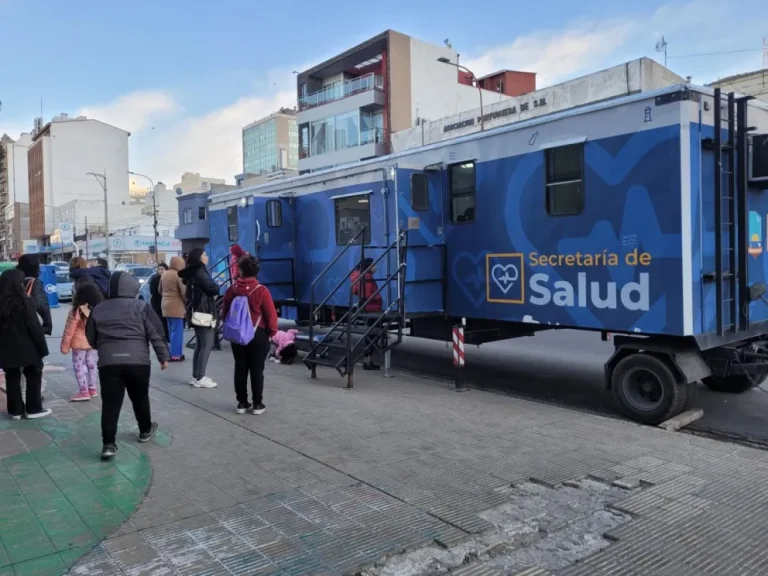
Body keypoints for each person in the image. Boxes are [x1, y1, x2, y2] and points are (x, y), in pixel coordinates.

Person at [86, 271, 169, 460]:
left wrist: (104, 348)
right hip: (138, 362)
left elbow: (91, 337)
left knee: (110, 404)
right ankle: (145, 430)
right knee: (140, 398)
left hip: (109, 363)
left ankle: (108, 444)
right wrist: (163, 357)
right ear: (133, 287)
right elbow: (156, 333)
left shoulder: (98, 308)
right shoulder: (141, 307)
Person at [221, 255, 278, 414]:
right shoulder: (261, 291)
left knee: (240, 367)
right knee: (256, 369)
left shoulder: (231, 290)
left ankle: (242, 403)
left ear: (239, 271)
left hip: (237, 334)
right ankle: (257, 404)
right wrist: (272, 332)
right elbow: (270, 314)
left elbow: (224, 312)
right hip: (257, 334)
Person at [0, 269, 51, 420]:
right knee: (34, 373)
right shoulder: (25, 301)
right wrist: (43, 349)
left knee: (12, 376)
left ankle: (15, 411)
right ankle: (34, 409)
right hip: (27, 347)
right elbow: (34, 328)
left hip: (6, 348)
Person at [179, 248, 220, 388]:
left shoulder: (192, 272)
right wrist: (217, 285)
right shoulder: (200, 272)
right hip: (204, 312)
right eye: (204, 255)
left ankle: (196, 376)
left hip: (195, 312)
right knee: (207, 344)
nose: (206, 257)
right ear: (198, 258)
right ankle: (200, 377)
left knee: (200, 345)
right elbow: (213, 288)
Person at [60, 281, 104, 401]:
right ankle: (92, 389)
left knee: (79, 366)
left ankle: (83, 391)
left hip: (79, 344)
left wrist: (64, 346)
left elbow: (69, 330)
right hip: (92, 343)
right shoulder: (98, 309)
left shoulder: (76, 311)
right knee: (92, 365)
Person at [350, 257, 382, 371]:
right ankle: (367, 361)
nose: (375, 267)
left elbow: (355, 292)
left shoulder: (360, 276)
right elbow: (367, 295)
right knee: (373, 335)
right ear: (369, 267)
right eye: (373, 265)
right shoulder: (367, 278)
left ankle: (367, 360)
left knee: (370, 335)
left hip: (369, 309)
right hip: (373, 309)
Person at [16, 254, 52, 336]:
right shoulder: (34, 282)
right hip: (27, 327)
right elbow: (42, 305)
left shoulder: (15, 280)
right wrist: (47, 325)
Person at [160, 257, 186, 362]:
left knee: (171, 330)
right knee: (177, 331)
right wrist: (186, 302)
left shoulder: (165, 274)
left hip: (165, 304)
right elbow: (183, 292)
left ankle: (172, 352)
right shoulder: (178, 275)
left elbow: (159, 290)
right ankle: (176, 354)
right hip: (176, 305)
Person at [148, 263, 169, 342]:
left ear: (166, 269)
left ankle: (167, 336)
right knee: (159, 319)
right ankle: (161, 336)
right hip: (157, 301)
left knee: (165, 320)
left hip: (165, 302)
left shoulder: (168, 278)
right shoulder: (154, 279)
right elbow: (153, 291)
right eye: (159, 269)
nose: (160, 271)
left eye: (162, 269)